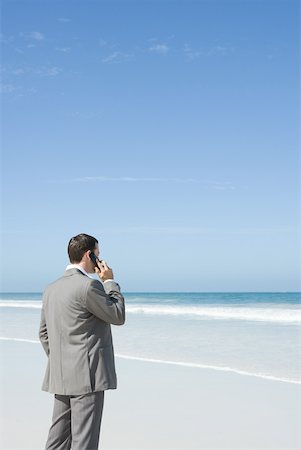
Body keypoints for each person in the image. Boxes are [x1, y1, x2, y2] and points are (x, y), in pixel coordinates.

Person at [39, 233, 126, 450]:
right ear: (89, 255)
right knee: (84, 442)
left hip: (60, 374)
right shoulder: (89, 286)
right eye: (98, 254)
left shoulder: (51, 289)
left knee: (57, 441)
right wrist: (109, 281)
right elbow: (117, 315)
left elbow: (43, 333)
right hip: (87, 378)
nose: (100, 259)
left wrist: (62, 359)